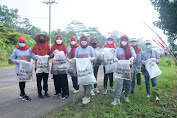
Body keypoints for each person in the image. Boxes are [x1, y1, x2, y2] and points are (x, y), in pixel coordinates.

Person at [111, 35, 136, 105]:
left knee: (128, 83)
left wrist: (132, 58)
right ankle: (117, 98)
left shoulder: (130, 48)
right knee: (119, 83)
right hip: (120, 69)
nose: (124, 42)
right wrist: (115, 59)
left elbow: (134, 55)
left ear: (127, 41)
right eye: (123, 40)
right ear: (120, 41)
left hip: (129, 68)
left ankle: (126, 96)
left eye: (125, 40)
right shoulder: (118, 49)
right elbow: (114, 56)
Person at [11, 37, 33, 101]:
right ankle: (23, 94)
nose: (22, 43)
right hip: (19, 68)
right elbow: (12, 58)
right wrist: (17, 61)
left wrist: (31, 60)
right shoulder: (15, 50)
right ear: (19, 42)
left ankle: (21, 94)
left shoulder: (28, 49)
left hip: (26, 68)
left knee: (24, 80)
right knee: (21, 81)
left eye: (23, 42)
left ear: (25, 42)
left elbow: (31, 56)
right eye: (21, 42)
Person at [75, 35, 95, 104]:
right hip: (81, 68)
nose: (83, 41)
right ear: (80, 41)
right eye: (82, 39)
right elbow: (76, 57)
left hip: (88, 67)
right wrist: (75, 59)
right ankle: (85, 94)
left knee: (88, 81)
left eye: (85, 39)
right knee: (83, 81)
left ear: (87, 40)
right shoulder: (78, 49)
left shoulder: (90, 48)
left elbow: (93, 56)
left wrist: (92, 59)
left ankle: (87, 96)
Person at [50, 35, 69, 99]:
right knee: (56, 79)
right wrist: (53, 53)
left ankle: (65, 93)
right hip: (55, 65)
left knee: (63, 79)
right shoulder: (53, 46)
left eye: (60, 38)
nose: (58, 40)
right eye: (57, 38)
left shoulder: (63, 46)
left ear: (62, 39)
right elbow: (50, 56)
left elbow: (67, 55)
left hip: (62, 66)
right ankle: (58, 91)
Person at [32, 34, 50, 99]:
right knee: (39, 80)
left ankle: (46, 91)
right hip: (38, 66)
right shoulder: (35, 46)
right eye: (40, 37)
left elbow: (50, 54)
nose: (41, 38)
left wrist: (49, 56)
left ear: (45, 38)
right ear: (38, 38)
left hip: (45, 66)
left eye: (43, 37)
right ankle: (39, 93)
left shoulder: (48, 46)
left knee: (45, 80)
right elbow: (32, 54)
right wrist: (35, 56)